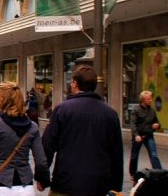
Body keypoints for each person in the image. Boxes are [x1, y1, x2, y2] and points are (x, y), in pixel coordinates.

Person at [42, 64, 123, 195]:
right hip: (98, 184)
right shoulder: (110, 114)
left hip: (66, 182)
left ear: (74, 84)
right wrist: (116, 185)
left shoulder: (62, 110)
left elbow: (48, 145)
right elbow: (116, 153)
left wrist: (42, 177)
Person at [0, 82, 50, 195]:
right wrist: (43, 181)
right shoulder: (32, 127)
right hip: (25, 187)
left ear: (5, 99)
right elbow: (41, 161)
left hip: (0, 185)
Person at [129, 90, 162, 181]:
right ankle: (133, 173)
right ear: (143, 100)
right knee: (134, 156)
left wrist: (157, 125)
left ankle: (160, 173)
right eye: (149, 99)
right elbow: (132, 123)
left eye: (151, 98)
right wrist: (136, 135)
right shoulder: (135, 110)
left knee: (154, 155)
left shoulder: (152, 111)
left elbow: (157, 122)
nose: (151, 100)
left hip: (149, 136)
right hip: (138, 136)